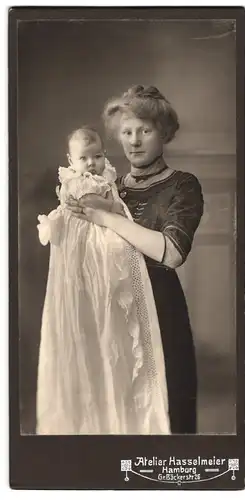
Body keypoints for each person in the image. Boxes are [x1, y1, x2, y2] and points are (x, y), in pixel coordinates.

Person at [67, 86, 204, 434]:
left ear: (164, 133)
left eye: (145, 130)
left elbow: (171, 253)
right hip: (111, 312)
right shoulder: (106, 188)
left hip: (161, 312)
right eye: (127, 132)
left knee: (167, 417)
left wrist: (108, 218)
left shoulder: (183, 185)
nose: (135, 141)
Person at [36, 126, 170, 435]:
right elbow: (64, 209)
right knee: (81, 302)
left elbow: (116, 207)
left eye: (97, 156)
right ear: (72, 160)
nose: (92, 163)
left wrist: (108, 206)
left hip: (105, 242)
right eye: (85, 158)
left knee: (115, 277)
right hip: (78, 247)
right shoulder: (69, 182)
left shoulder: (107, 181)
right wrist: (56, 221)